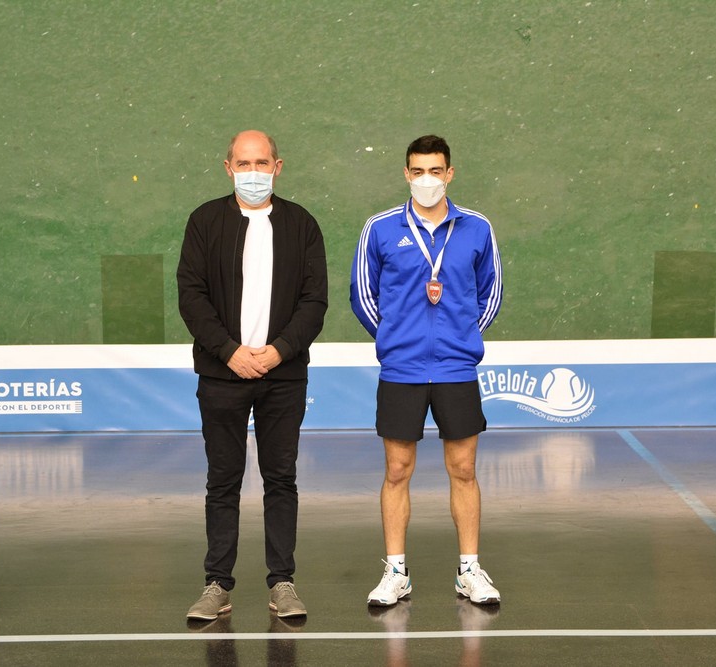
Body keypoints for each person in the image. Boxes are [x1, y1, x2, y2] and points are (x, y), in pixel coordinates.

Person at [178, 130, 328, 621]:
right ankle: (217, 585)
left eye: (262, 163)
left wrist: (279, 352)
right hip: (222, 375)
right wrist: (230, 352)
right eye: (243, 164)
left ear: (278, 167)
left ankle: (282, 582)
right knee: (223, 480)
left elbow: (314, 302)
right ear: (228, 168)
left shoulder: (302, 225)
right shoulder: (204, 221)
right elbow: (191, 296)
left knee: (280, 479)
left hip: (283, 377)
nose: (253, 173)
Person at [350, 135, 503, 607]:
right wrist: (395, 340)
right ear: (406, 174)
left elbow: (491, 294)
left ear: (449, 174)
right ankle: (396, 572)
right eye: (418, 171)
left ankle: (469, 570)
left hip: (456, 368)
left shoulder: (477, 228)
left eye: (435, 171)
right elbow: (363, 294)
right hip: (402, 369)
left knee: (464, 469)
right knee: (397, 470)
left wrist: (460, 338)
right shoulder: (379, 228)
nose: (427, 180)